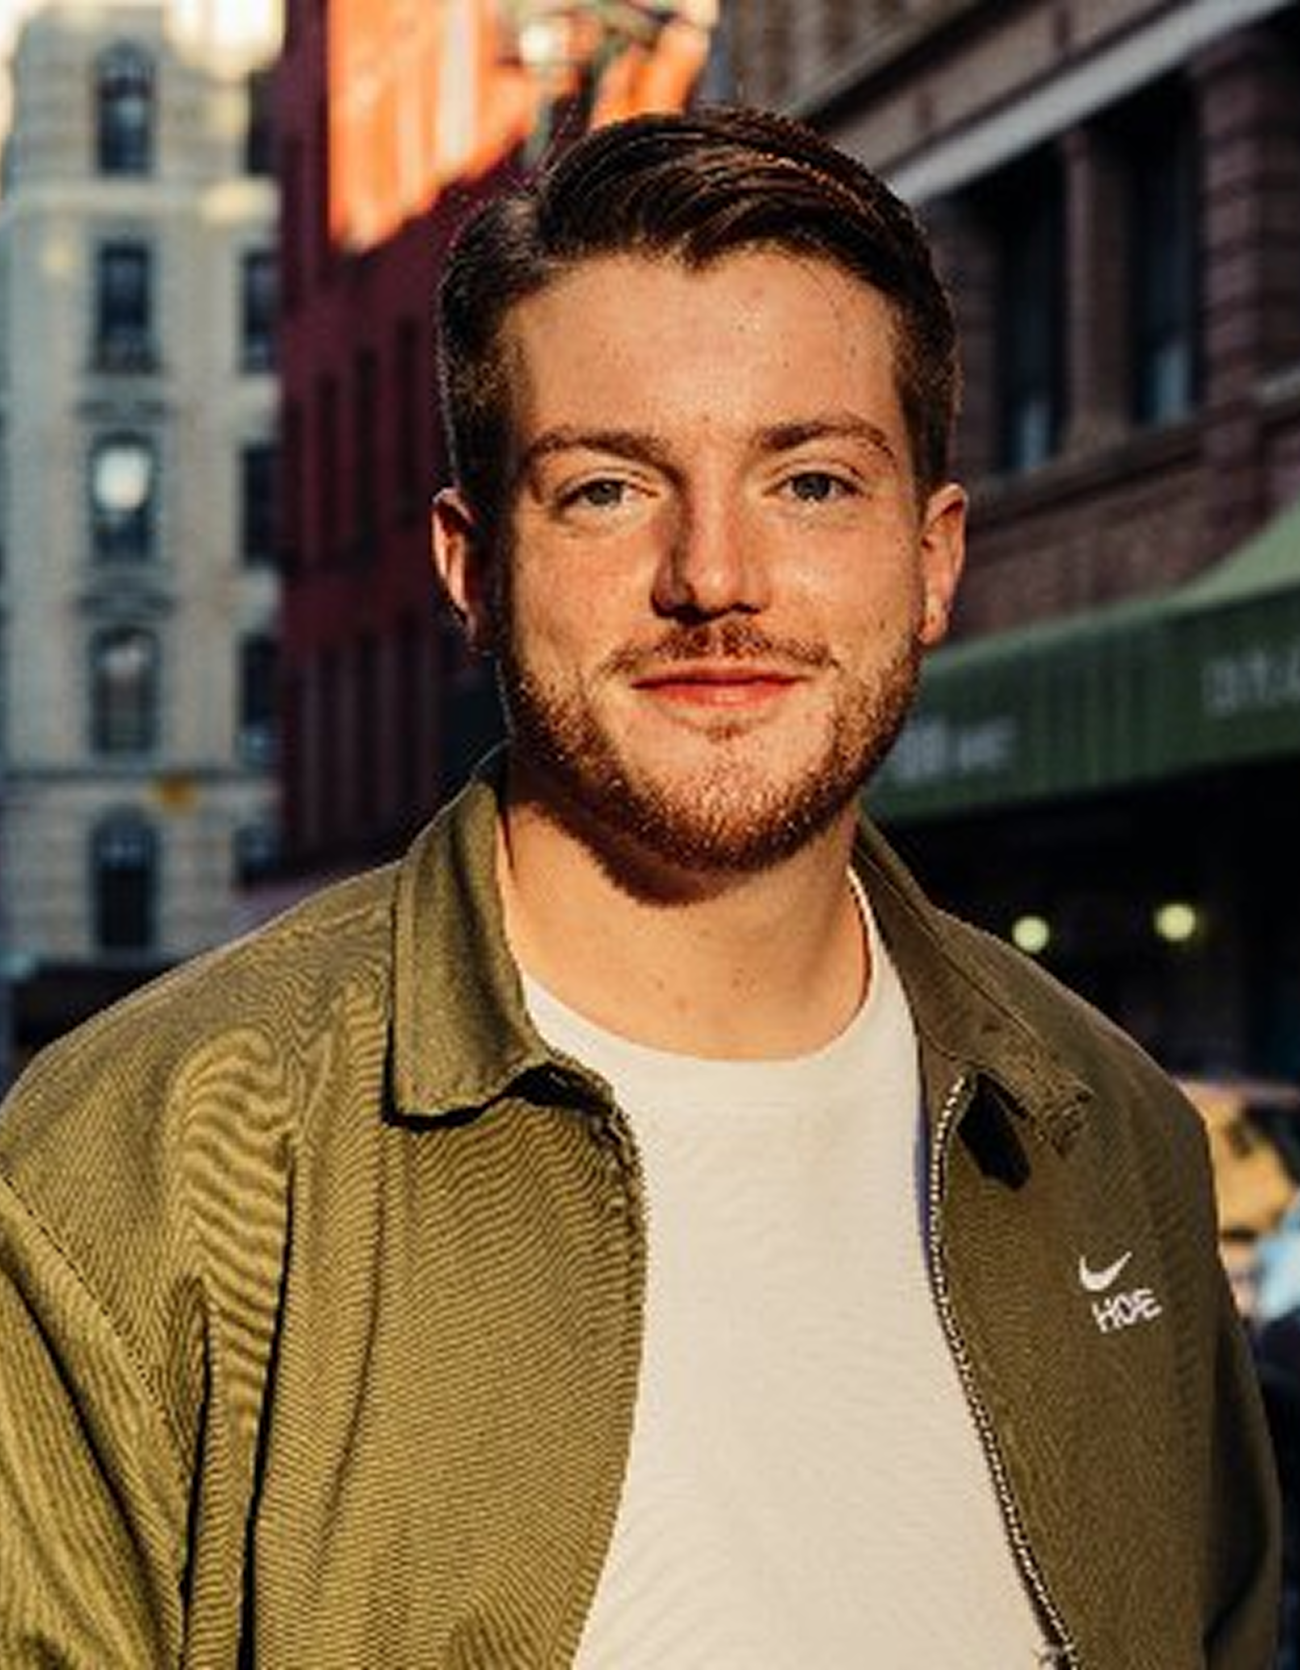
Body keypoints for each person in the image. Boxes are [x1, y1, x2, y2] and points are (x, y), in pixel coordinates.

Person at [0, 106, 1280, 1668]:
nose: (715, 576)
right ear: (474, 565)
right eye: (607, 489)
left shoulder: (1114, 1136)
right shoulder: (130, 1178)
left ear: (934, 556)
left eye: (812, 482)